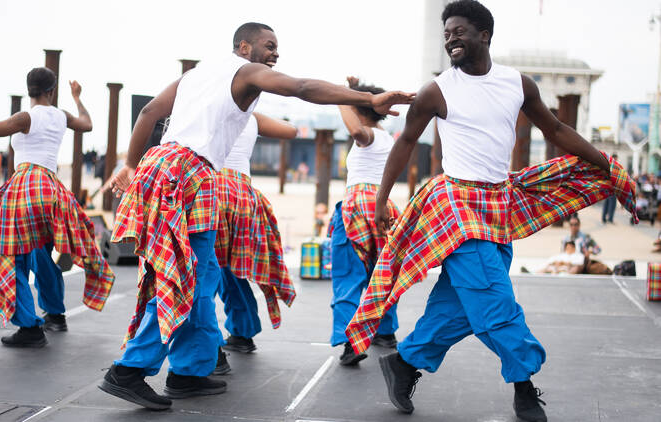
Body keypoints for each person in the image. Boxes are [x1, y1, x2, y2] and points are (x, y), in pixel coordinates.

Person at [344, 2, 636, 421]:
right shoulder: (437, 90)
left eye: (458, 31)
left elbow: (555, 130)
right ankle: (523, 386)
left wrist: (605, 163)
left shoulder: (517, 84)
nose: (450, 39)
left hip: (499, 204)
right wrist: (379, 200)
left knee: (460, 304)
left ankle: (405, 361)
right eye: (446, 33)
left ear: (485, 35)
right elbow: (407, 140)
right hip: (455, 205)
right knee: (494, 301)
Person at [99, 22, 413, 411]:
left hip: (170, 168)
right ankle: (129, 370)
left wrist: (130, 164)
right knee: (187, 276)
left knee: (205, 273)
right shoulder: (245, 72)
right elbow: (300, 87)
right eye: (269, 45)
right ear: (243, 46)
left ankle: (188, 370)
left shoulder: (195, 75)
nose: (275, 53)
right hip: (189, 173)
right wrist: (367, 96)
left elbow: (148, 111)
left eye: (277, 47)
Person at [0, 68, 114, 348]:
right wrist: (77, 98)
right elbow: (87, 124)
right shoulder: (60, 115)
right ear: (51, 90)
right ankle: (55, 313)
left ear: (29, 90)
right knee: (41, 252)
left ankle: (28, 327)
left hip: (26, 187)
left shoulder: (26, 117)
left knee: (9, 254)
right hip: (52, 190)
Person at [329, 76, 402, 366]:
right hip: (382, 205)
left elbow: (357, 132)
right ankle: (385, 332)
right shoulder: (386, 136)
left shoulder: (369, 135)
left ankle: (351, 340)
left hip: (358, 204)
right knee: (380, 272)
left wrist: (341, 96)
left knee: (348, 275)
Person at [215, 112, 297, 365]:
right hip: (243, 192)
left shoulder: (212, 105)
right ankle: (243, 331)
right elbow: (291, 130)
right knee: (233, 268)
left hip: (213, 186)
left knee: (203, 271)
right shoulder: (252, 115)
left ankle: (207, 348)